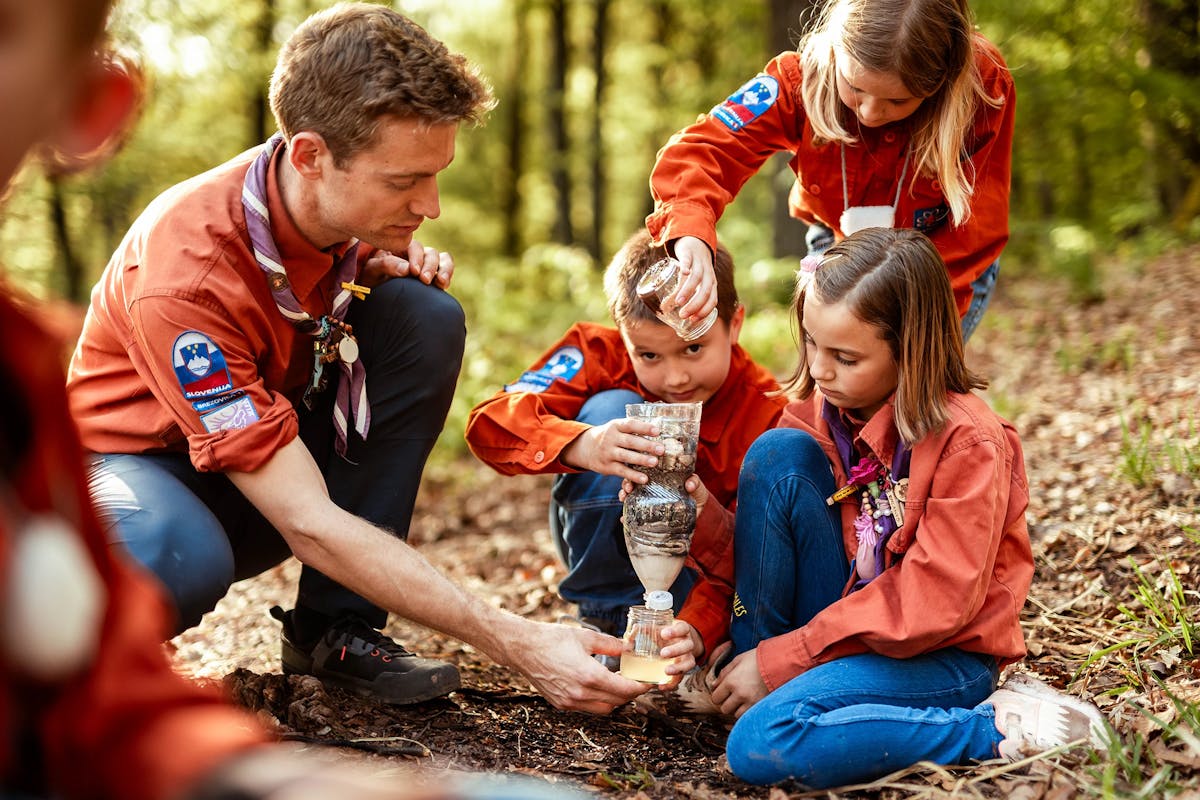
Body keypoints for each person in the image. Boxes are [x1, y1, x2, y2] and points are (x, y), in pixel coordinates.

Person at [65, 2, 652, 714]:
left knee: (420, 317)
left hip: (258, 443)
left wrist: (365, 272)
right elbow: (306, 517)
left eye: (436, 176)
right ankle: (73, 680)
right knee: (174, 548)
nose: (430, 206)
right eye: (404, 182)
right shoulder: (186, 274)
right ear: (311, 154)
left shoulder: (333, 216)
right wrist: (516, 641)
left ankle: (334, 631)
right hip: (139, 474)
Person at [664, 228, 1104, 788]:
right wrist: (699, 511)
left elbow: (932, 603)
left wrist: (784, 661)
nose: (820, 371)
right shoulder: (820, 412)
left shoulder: (968, 444)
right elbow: (763, 554)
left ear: (910, 350)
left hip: (939, 655)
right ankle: (749, 681)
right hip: (847, 626)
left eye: (845, 357)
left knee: (760, 745)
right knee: (777, 455)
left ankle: (993, 726)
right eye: (811, 344)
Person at [465, 230, 786, 636]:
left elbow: (757, 552)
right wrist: (585, 444)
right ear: (623, 333)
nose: (675, 377)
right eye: (649, 355)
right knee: (610, 409)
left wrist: (699, 627)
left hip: (707, 580)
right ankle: (605, 620)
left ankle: (675, 638)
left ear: (734, 324)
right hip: (602, 545)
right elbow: (489, 422)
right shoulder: (599, 355)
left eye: (693, 348)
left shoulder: (769, 412)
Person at [646, 0, 1015, 342]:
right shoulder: (796, 82)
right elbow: (703, 150)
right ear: (836, 49)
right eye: (854, 87)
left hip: (941, 265)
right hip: (835, 242)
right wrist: (690, 233)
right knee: (839, 381)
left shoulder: (982, 87)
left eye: (898, 100)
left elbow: (975, 227)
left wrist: (910, 332)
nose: (869, 113)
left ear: (941, 84)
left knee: (909, 390)